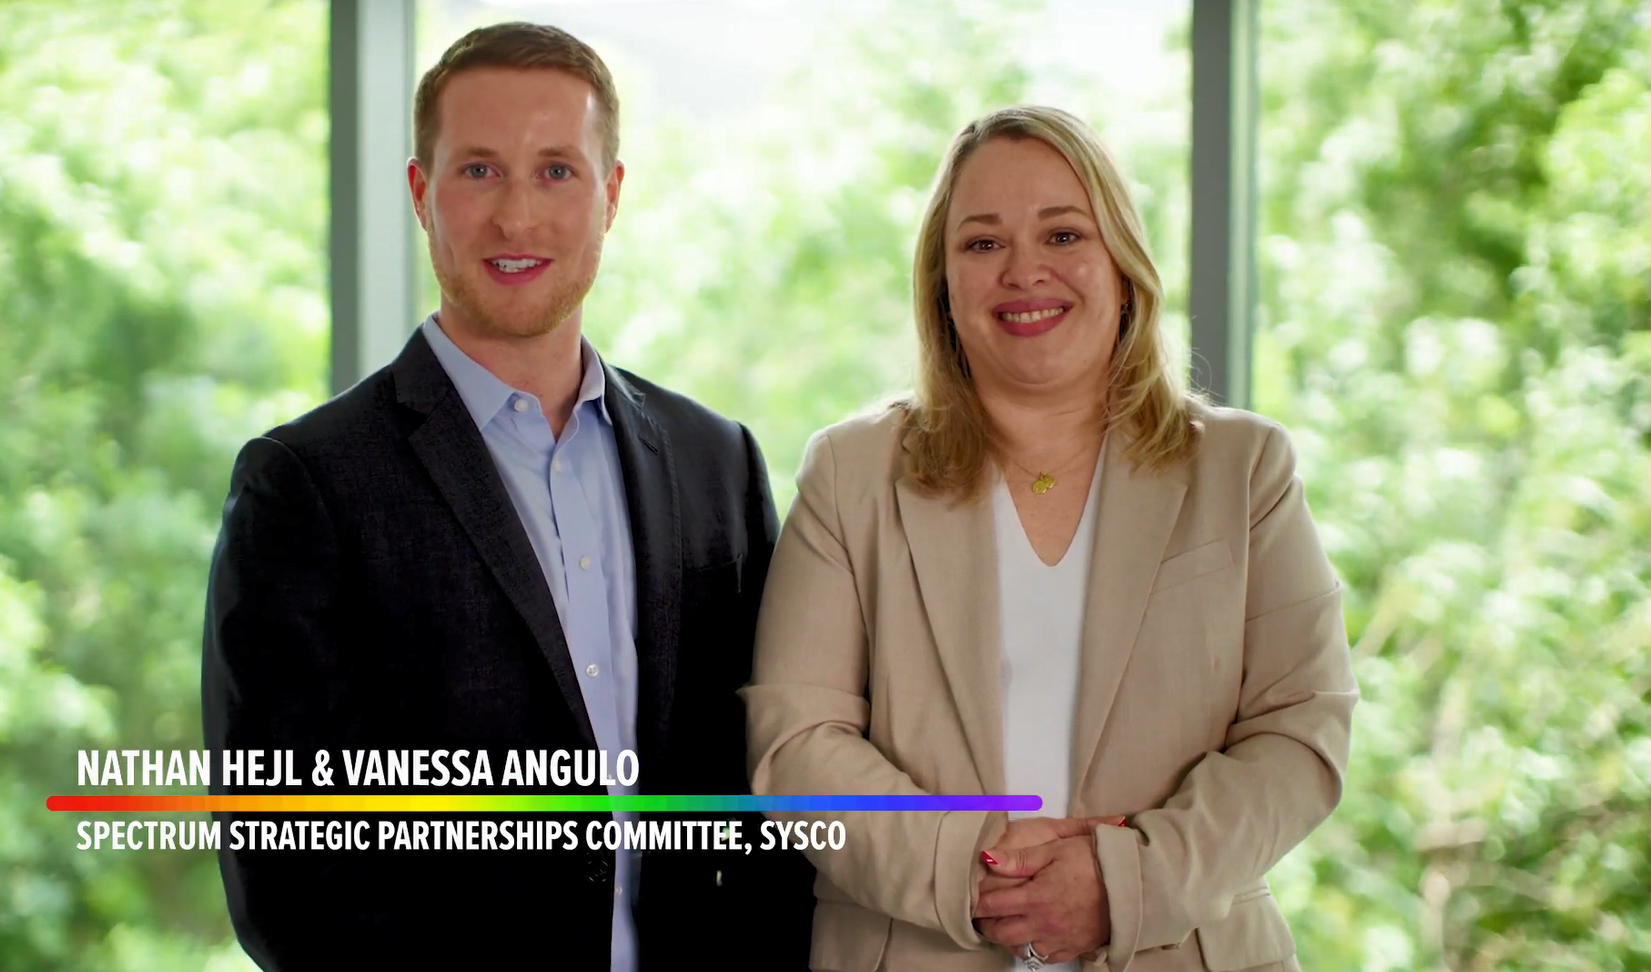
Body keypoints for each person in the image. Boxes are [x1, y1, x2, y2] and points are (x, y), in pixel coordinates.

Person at [201, 22, 813, 970]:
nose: (516, 217)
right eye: (478, 171)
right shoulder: (308, 484)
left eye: (557, 171)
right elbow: (289, 878)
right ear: (420, 193)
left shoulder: (715, 462)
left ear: (611, 195)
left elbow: (772, 797)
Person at [742, 104, 1358, 972]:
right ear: (942, 284)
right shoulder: (850, 473)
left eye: (1063, 234)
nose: (1024, 271)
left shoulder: (1243, 468)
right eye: (982, 243)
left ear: (1122, 265)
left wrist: (1126, 884)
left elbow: (1300, 731)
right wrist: (976, 878)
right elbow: (794, 742)